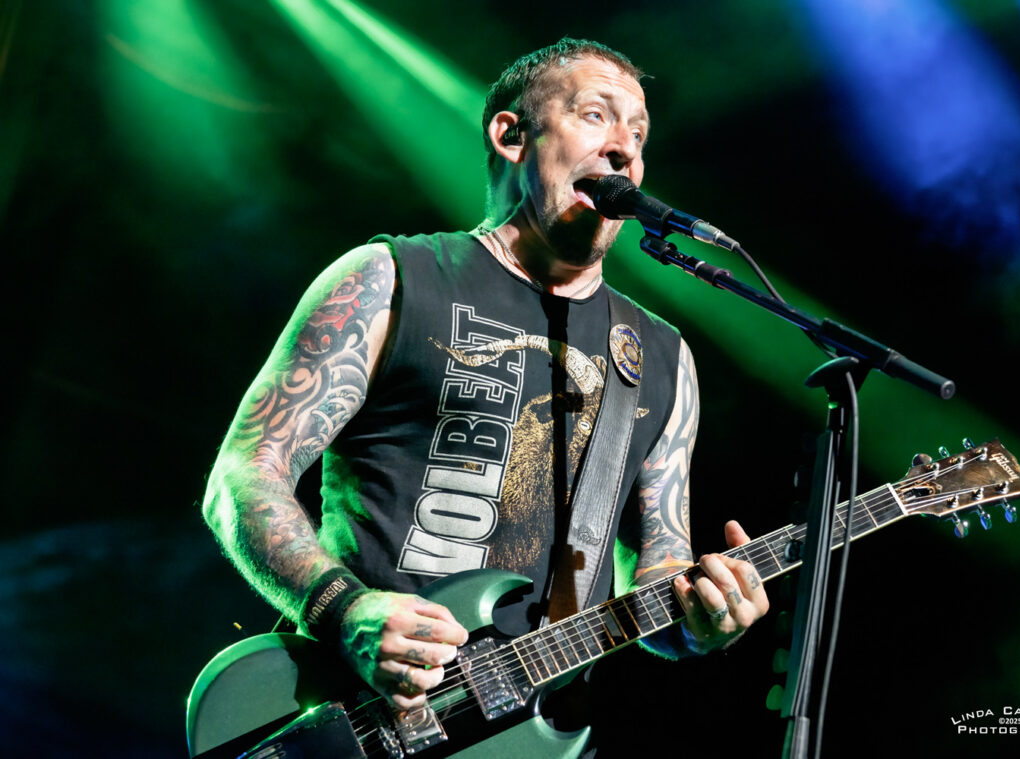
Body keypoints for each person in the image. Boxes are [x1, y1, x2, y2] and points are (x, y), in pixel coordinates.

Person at [202, 36, 768, 745]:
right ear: (511, 135)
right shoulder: (391, 279)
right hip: (353, 716)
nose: (625, 147)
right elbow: (242, 473)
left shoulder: (659, 355)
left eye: (639, 132)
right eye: (596, 115)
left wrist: (703, 619)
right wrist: (344, 611)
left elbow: (658, 571)